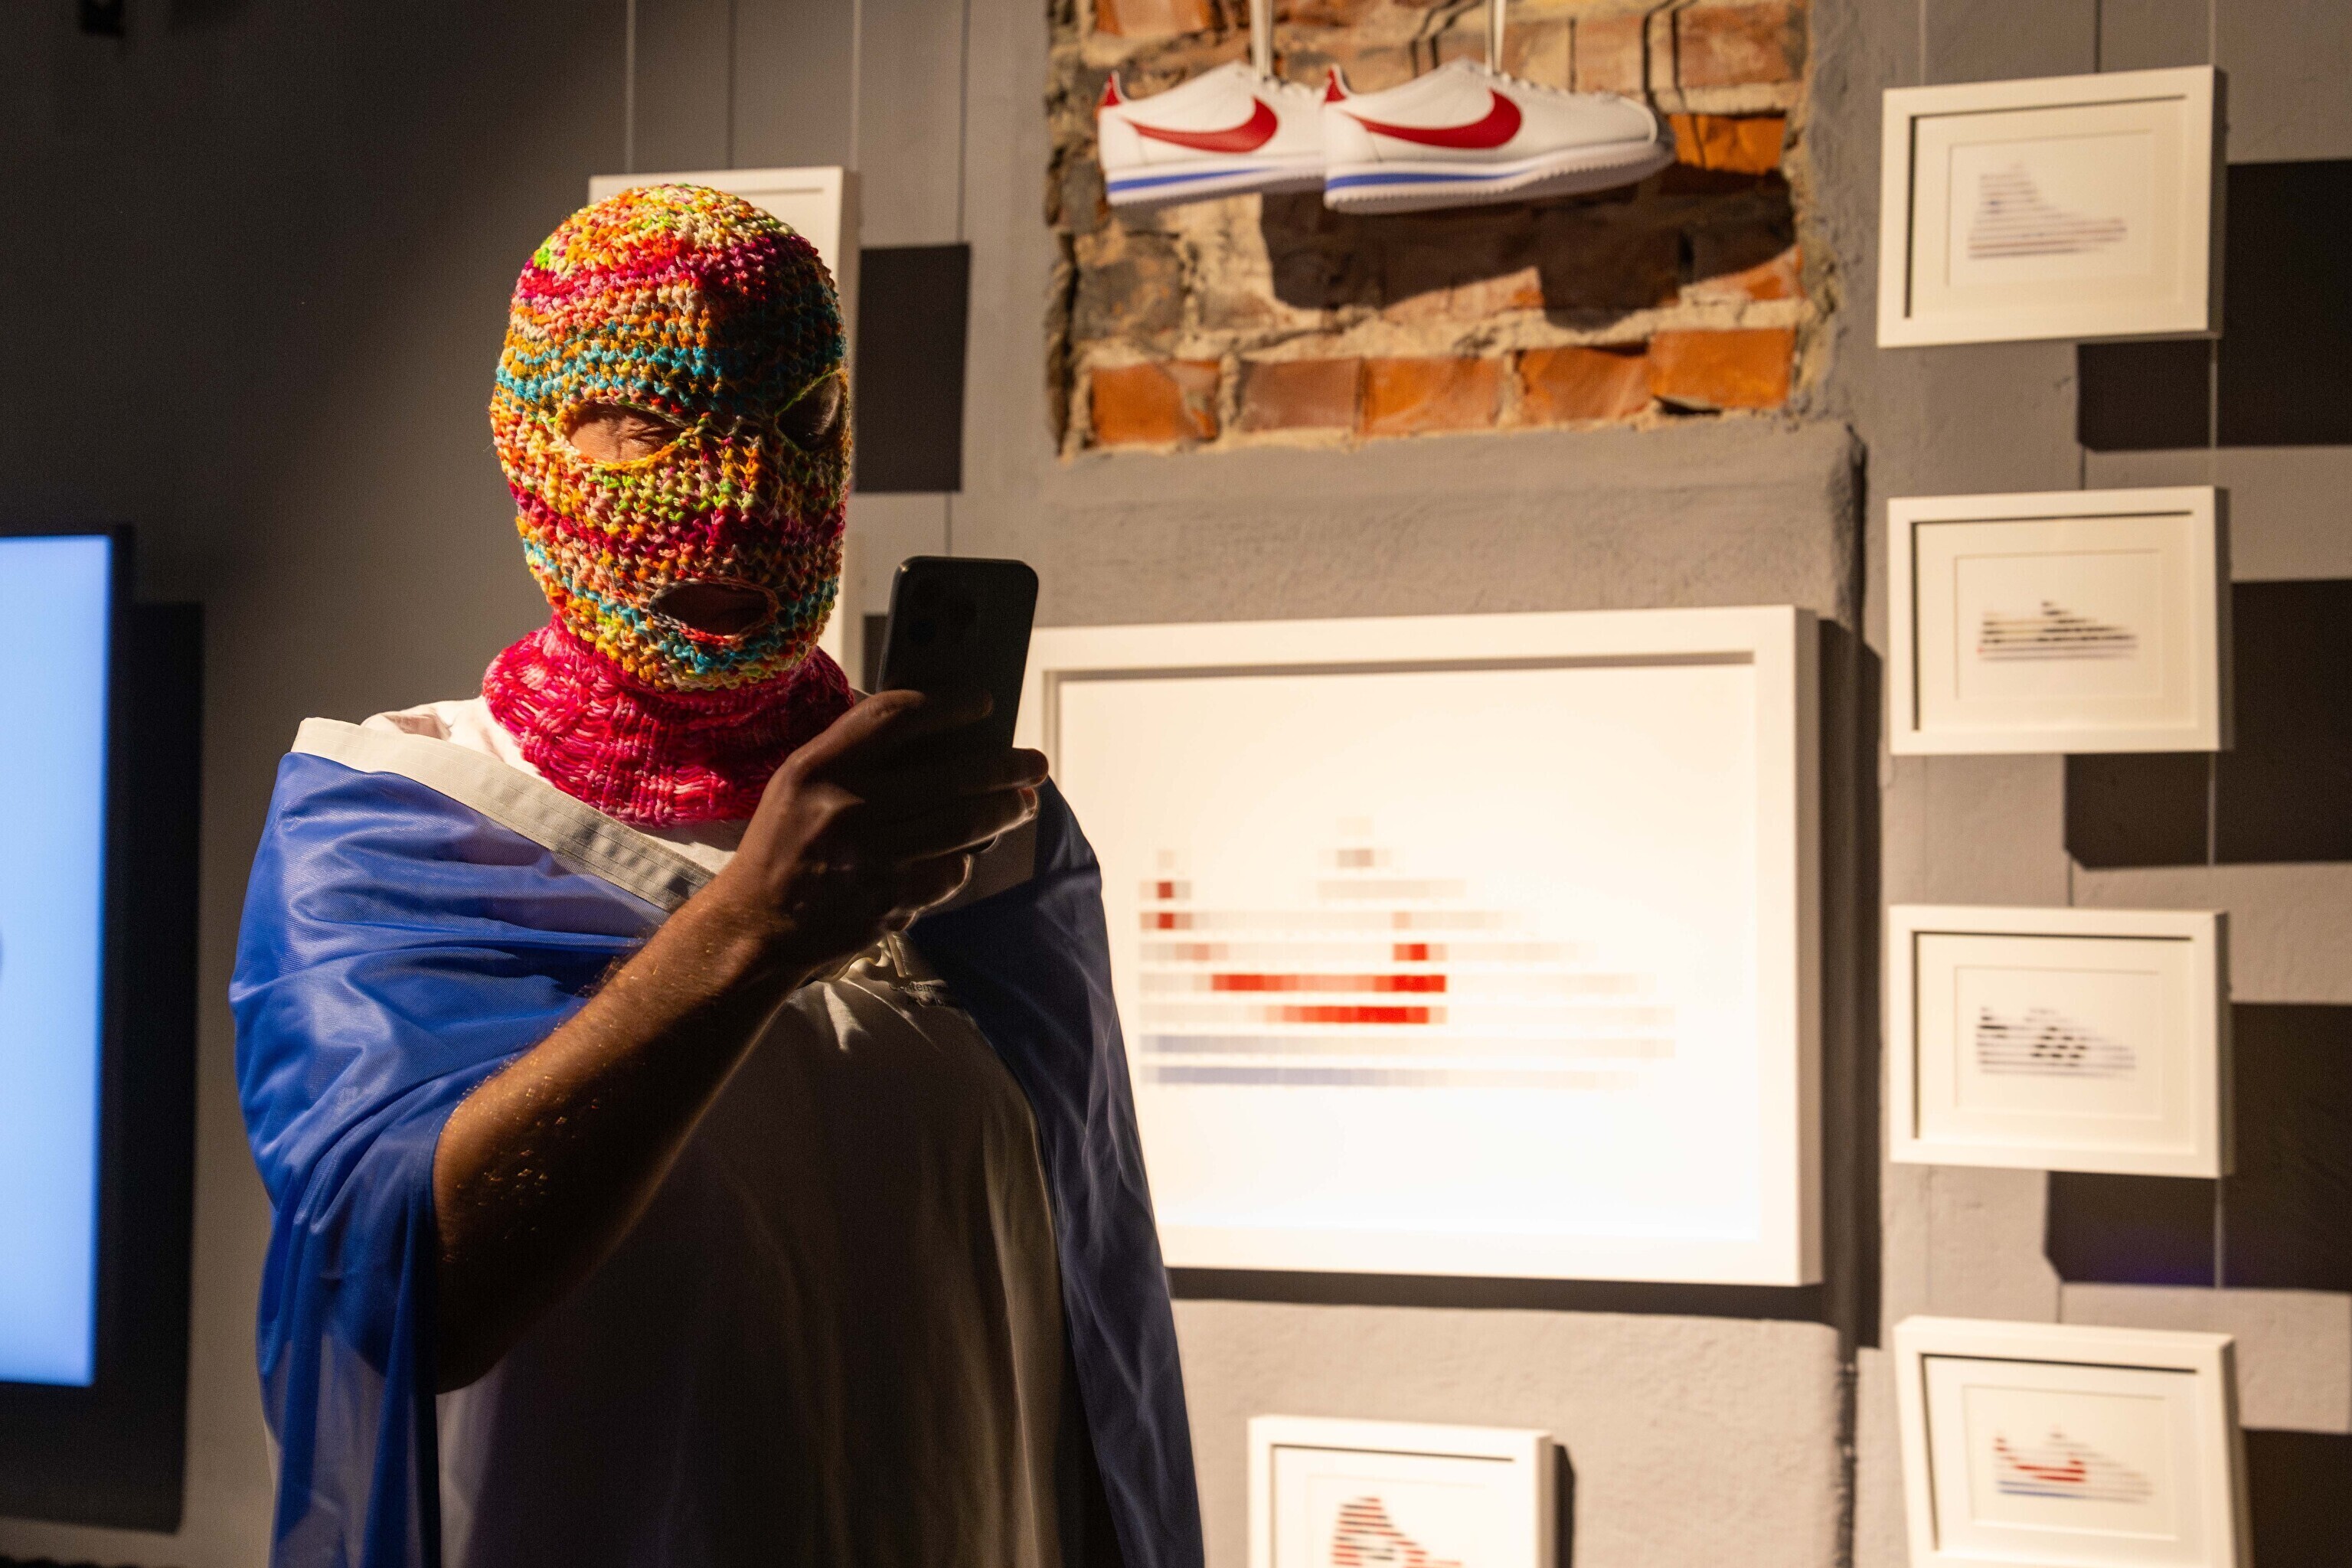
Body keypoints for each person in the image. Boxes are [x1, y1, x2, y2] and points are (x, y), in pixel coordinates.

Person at [232, 185, 1201, 1568]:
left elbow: (1096, 1313)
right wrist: (752, 931)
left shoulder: (983, 846)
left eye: (800, 419)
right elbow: (407, 1294)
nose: (743, 497)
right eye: (646, 422)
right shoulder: (410, 817)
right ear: (534, 447)